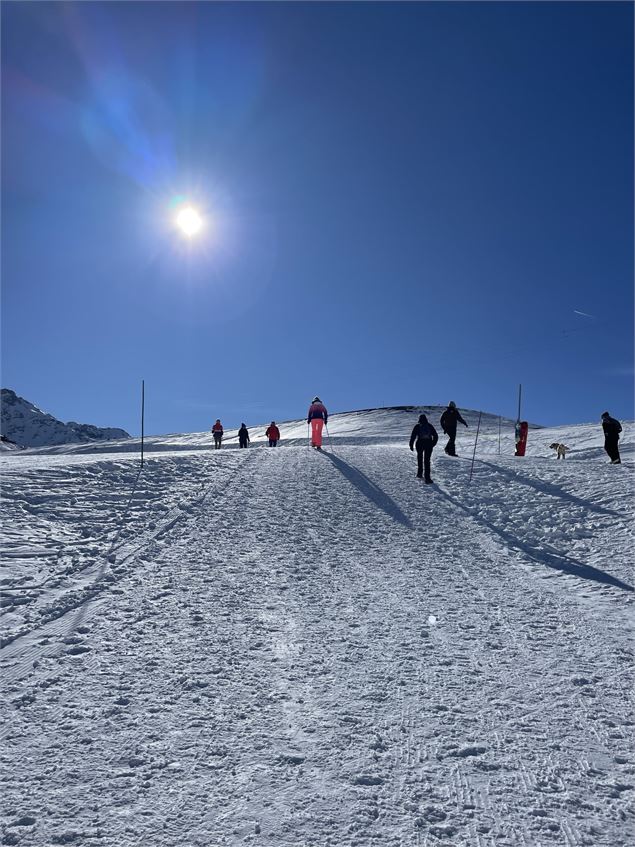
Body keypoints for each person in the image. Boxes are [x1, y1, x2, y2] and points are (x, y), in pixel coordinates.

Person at [409, 413, 439, 483]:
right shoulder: (429, 426)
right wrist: (432, 444)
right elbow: (436, 436)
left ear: (419, 419)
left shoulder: (417, 426)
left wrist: (411, 445)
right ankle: (427, 478)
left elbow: (413, 436)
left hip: (420, 443)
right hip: (428, 443)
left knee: (420, 458)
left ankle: (419, 474)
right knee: (427, 461)